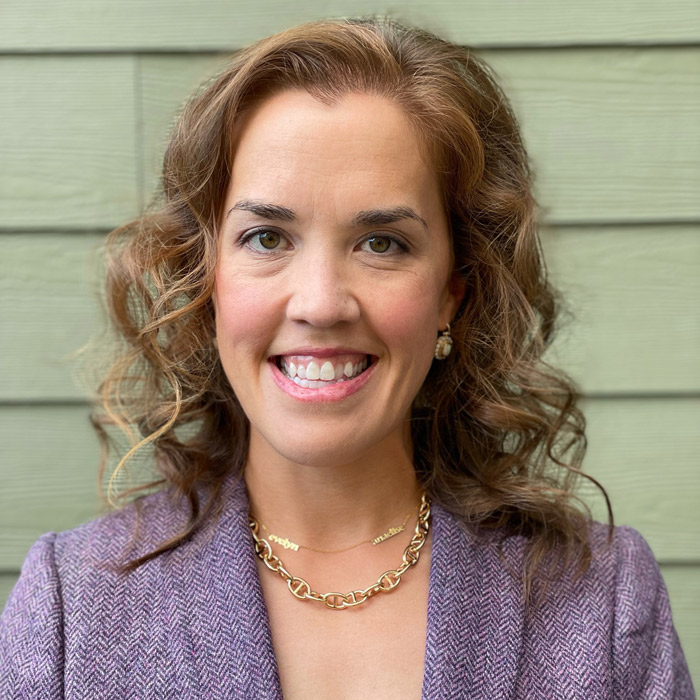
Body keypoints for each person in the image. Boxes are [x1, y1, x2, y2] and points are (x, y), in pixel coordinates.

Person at [0, 15, 694, 700]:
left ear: (454, 290)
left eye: (382, 243)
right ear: (203, 279)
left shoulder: (601, 601)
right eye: (268, 238)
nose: (322, 303)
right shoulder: (74, 605)